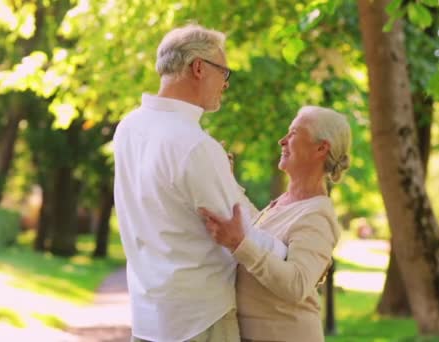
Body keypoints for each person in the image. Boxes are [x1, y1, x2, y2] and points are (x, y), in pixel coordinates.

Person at [113, 24, 287, 342]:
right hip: (199, 320)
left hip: (148, 317)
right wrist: (293, 256)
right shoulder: (194, 145)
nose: (225, 84)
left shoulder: (128, 127)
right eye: (224, 73)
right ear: (198, 68)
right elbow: (240, 227)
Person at [199, 106, 352, 342]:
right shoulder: (288, 202)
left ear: (321, 148)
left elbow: (297, 284)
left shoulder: (317, 215)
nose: (282, 140)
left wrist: (239, 245)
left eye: (293, 134)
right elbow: (256, 231)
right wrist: (229, 184)